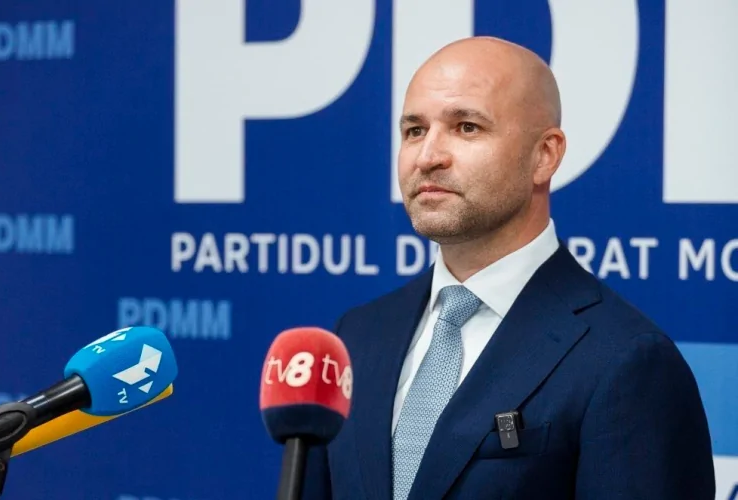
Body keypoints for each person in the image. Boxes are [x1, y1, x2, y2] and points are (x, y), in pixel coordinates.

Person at [301, 36, 716, 499]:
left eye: (467, 127)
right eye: (414, 130)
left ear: (545, 155)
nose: (428, 156)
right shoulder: (359, 335)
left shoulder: (626, 360)